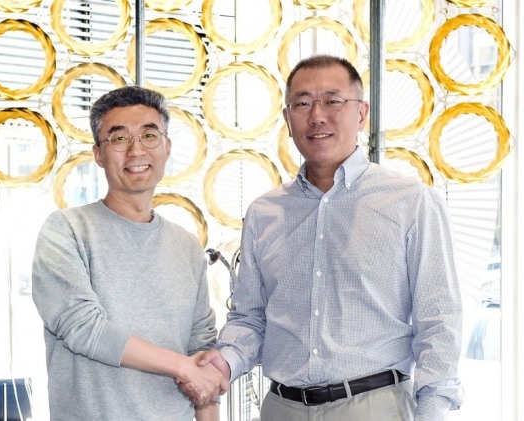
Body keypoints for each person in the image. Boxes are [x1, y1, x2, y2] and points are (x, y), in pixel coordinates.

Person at [185, 55, 464, 420]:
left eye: (333, 101)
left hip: (373, 406)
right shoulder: (264, 212)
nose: (317, 116)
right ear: (288, 119)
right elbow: (250, 319)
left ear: (361, 114)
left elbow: (439, 321)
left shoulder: (410, 202)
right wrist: (224, 362)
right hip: (281, 408)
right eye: (302, 104)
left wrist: (430, 412)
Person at [32, 86, 225, 421]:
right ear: (98, 154)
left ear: (166, 147)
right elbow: (83, 327)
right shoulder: (66, 230)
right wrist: (182, 366)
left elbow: (202, 350)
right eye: (119, 138)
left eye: (149, 135)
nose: (136, 150)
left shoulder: (186, 246)